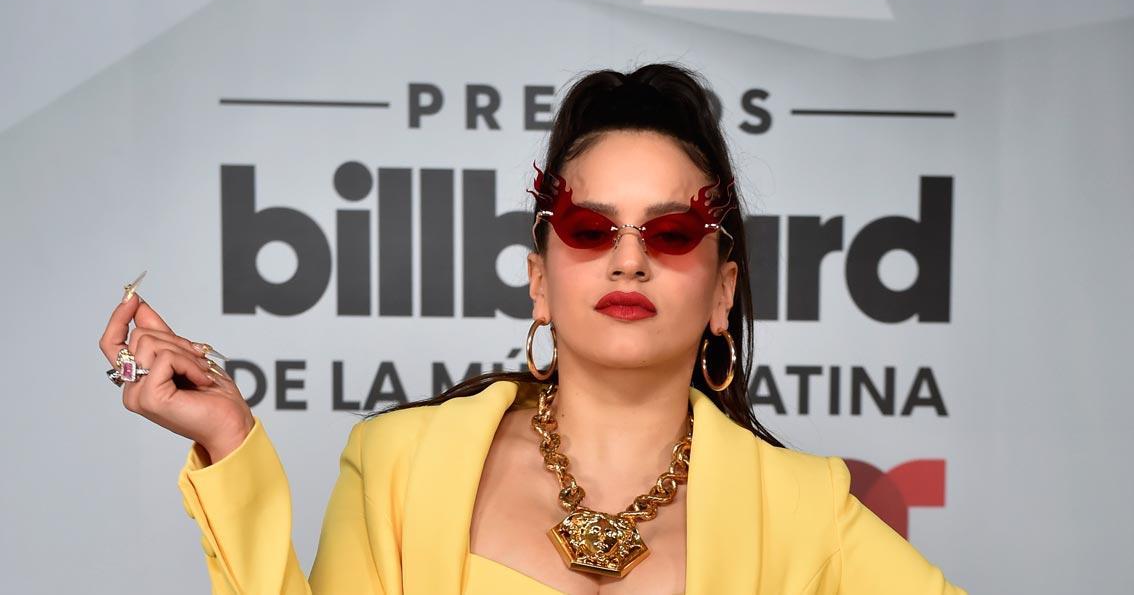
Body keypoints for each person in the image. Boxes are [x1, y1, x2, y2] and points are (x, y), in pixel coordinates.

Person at [99, 63, 968, 594]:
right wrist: (229, 441)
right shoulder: (399, 467)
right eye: (591, 228)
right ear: (539, 280)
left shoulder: (804, 510)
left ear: (722, 292)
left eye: (670, 233)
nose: (629, 261)